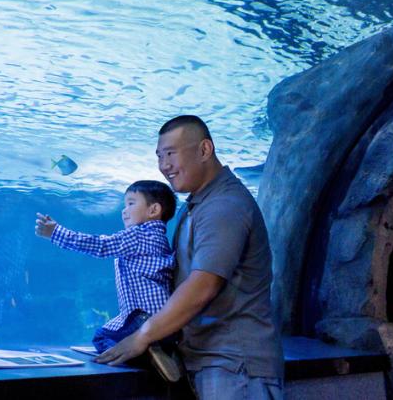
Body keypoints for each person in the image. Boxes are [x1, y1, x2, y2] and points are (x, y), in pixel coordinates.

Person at [96, 115, 284, 399]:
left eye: (171, 154)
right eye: (159, 156)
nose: (164, 166)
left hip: (235, 367)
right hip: (214, 363)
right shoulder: (196, 205)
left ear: (205, 150)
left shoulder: (224, 206)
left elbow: (204, 285)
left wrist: (144, 335)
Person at [35, 179, 183, 382]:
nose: (124, 210)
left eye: (131, 203)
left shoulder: (137, 236)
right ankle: (164, 350)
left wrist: (57, 233)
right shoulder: (160, 241)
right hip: (165, 321)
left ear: (153, 210)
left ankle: (145, 356)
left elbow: (100, 246)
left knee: (102, 337)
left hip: (142, 319)